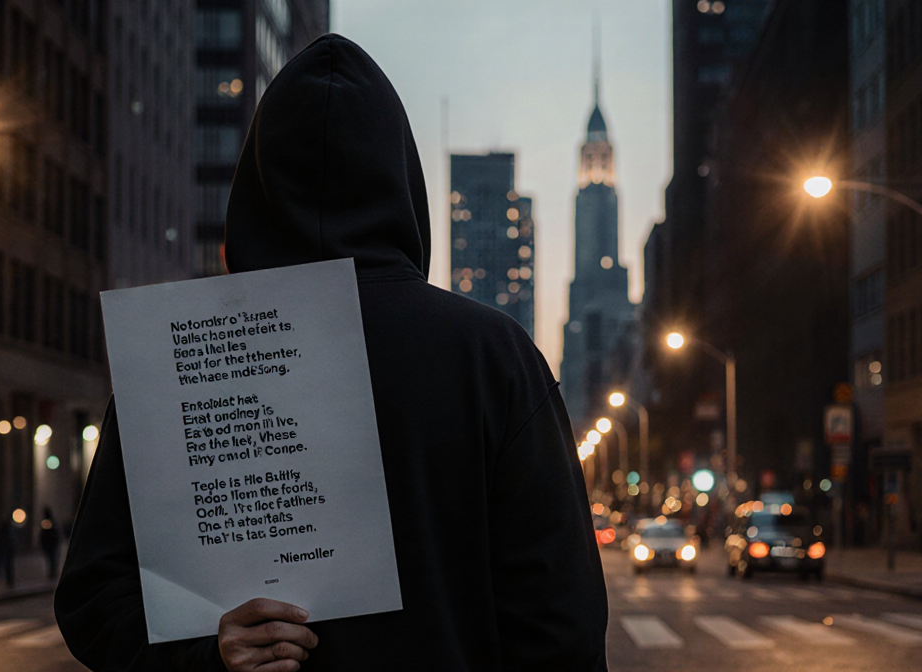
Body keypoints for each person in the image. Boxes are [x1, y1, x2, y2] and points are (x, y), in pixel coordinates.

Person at [55, 34, 609, 671]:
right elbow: (561, 620)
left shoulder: (183, 355)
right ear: (402, 179)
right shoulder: (493, 354)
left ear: (254, 186)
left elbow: (93, 597)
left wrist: (207, 657)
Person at [40, 507, 60, 579]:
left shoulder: (47, 522)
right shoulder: (52, 521)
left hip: (50, 543)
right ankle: (53, 572)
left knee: (51, 559)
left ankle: (53, 573)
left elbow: (45, 533)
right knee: (52, 559)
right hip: (51, 543)